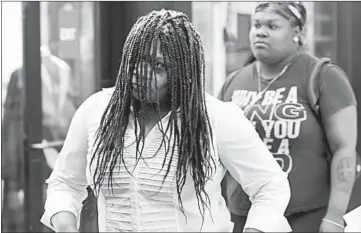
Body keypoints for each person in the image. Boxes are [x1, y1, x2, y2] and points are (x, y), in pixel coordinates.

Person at [41, 9, 292, 232]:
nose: (140, 74)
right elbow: (65, 182)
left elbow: (271, 186)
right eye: (135, 61)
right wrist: (65, 226)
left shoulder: (217, 118)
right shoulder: (96, 111)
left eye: (157, 66)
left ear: (182, 73)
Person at [218, 2, 358, 232]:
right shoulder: (234, 81)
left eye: (272, 26)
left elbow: (345, 149)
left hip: (306, 217)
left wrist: (334, 216)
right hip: (245, 217)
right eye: (257, 25)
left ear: (296, 32)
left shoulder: (322, 76)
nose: (261, 31)